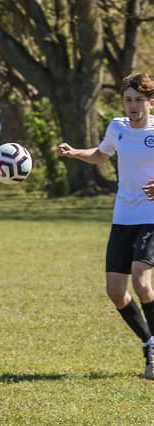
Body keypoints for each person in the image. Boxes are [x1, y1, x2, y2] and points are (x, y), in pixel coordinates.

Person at [57, 73, 154, 379]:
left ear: (151, 102)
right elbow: (101, 155)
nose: (133, 105)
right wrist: (75, 153)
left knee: (141, 281)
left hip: (151, 217)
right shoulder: (118, 127)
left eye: (139, 100)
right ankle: (149, 341)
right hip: (123, 217)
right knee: (115, 291)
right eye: (128, 100)